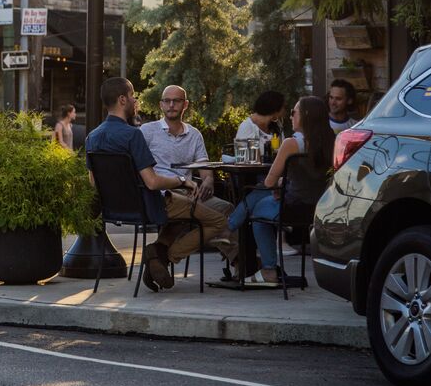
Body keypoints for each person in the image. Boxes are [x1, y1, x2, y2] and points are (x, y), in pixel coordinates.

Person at [86, 77, 228, 291]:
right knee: (218, 221)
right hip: (150, 204)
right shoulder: (133, 135)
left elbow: (93, 183)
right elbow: (152, 183)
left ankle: (159, 254)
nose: (136, 102)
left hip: (115, 210)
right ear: (123, 100)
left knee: (185, 211)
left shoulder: (92, 137)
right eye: (134, 96)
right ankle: (160, 255)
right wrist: (183, 181)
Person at [226, 96, 335, 286]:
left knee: (258, 210)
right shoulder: (332, 141)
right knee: (262, 201)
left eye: (294, 112)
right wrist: (284, 184)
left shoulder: (291, 143)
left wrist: (278, 187)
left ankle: (267, 268)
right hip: (319, 207)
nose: (290, 116)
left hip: (292, 207)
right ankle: (231, 225)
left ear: (305, 115)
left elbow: (269, 182)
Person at [139, 85, 236, 291]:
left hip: (191, 191)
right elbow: (138, 167)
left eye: (177, 101)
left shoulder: (194, 135)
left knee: (227, 208)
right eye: (167, 100)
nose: (171, 104)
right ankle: (164, 255)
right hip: (164, 192)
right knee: (204, 218)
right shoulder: (147, 132)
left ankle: (159, 255)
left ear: (186, 105)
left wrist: (208, 181)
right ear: (161, 104)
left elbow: (204, 168)